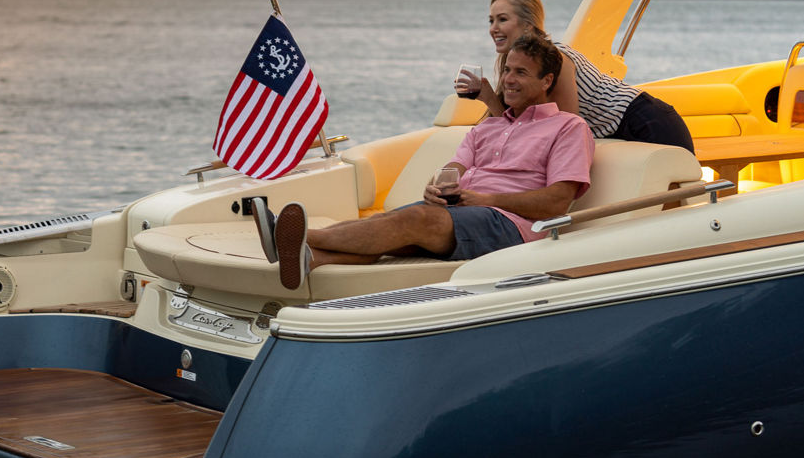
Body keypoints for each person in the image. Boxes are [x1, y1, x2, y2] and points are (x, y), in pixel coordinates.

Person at [253, 34, 595, 290]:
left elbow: (557, 202)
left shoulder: (568, 127)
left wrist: (486, 200)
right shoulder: (487, 125)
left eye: (521, 72)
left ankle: (297, 236)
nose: (508, 79)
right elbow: (453, 170)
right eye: (507, 69)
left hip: (512, 226)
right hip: (463, 213)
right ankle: (309, 258)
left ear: (547, 81)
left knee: (413, 218)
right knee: (393, 225)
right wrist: (437, 188)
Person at [457, 0, 694, 153]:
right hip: (620, 129)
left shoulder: (555, 59)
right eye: (491, 20)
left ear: (528, 25)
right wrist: (488, 97)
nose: (493, 28)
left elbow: (569, 128)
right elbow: (514, 129)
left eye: (502, 19)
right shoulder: (516, 66)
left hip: (646, 122)